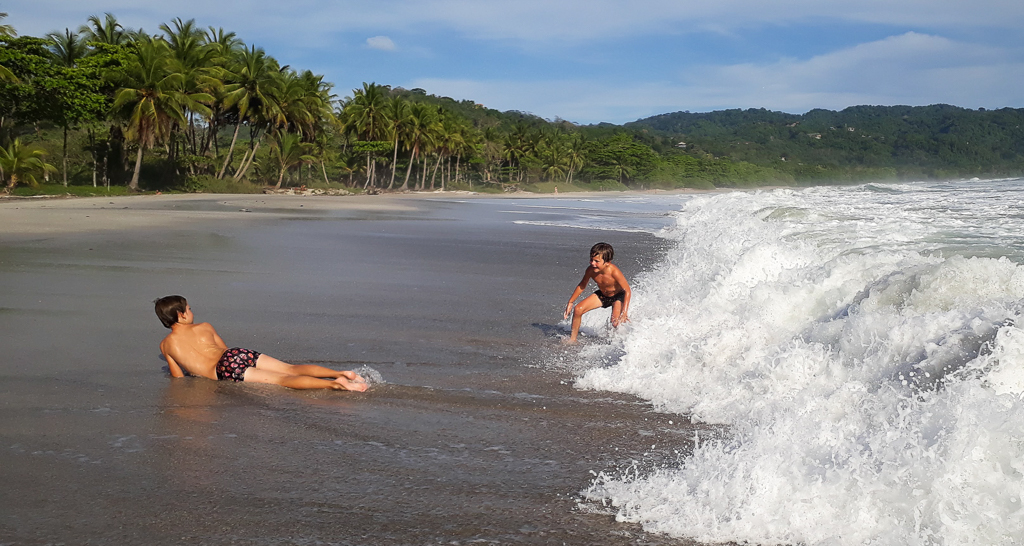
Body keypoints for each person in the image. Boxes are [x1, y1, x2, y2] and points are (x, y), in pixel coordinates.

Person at [154, 295, 367, 391]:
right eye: (189, 309)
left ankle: (334, 384)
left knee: (282, 380)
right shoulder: (205, 326)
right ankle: (340, 373)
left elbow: (178, 378)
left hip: (224, 369)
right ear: (181, 315)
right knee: (289, 369)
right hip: (235, 355)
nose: (192, 312)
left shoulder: (166, 346)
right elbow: (225, 350)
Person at [562, 242, 632, 343]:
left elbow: (627, 290)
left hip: (618, 297)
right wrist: (571, 302)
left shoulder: (614, 271)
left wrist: (625, 312)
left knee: (615, 323)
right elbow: (582, 285)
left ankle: (621, 341)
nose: (592, 263)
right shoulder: (590, 270)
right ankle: (573, 339)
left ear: (607, 262)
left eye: (596, 261)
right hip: (603, 295)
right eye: (591, 259)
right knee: (578, 309)